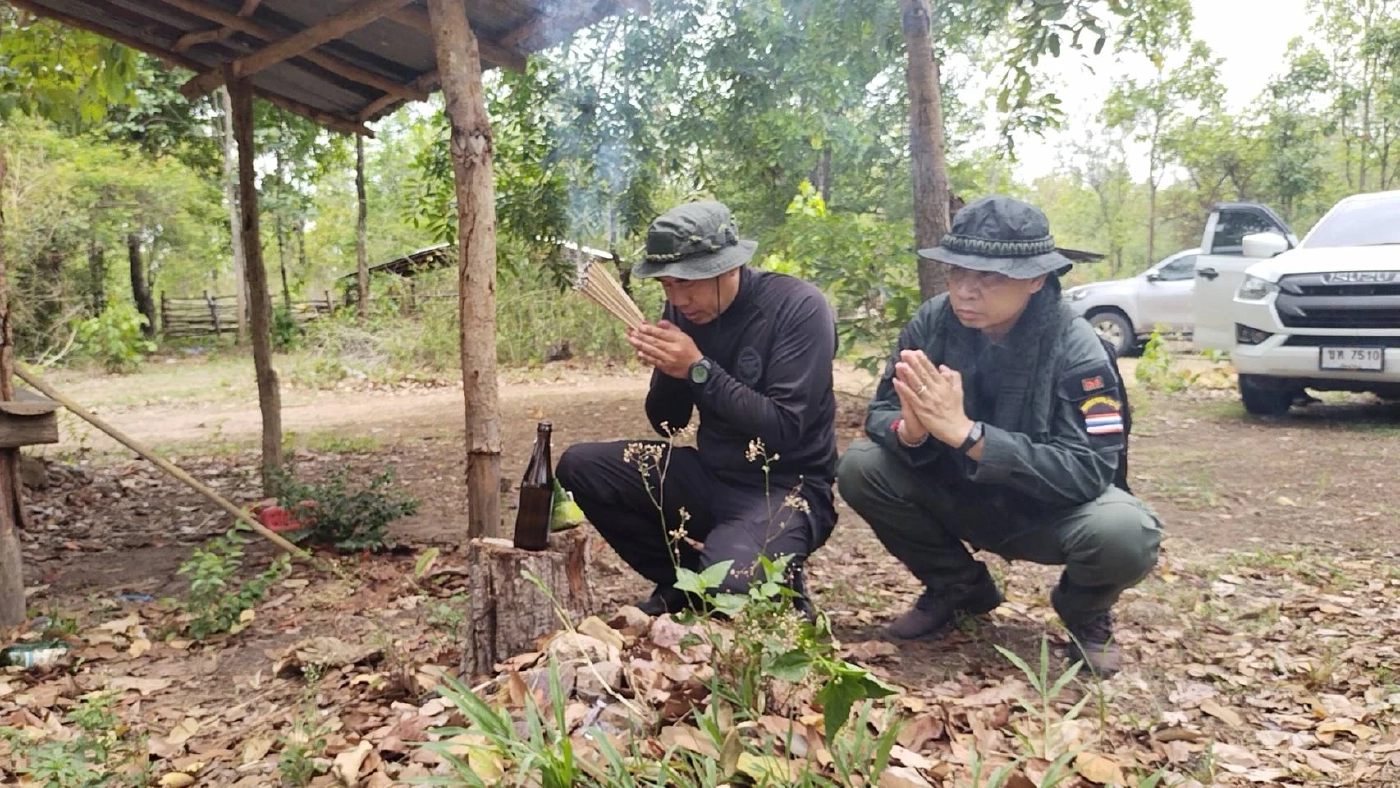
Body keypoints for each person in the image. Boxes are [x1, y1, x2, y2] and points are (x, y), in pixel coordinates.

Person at [836, 195, 1163, 675]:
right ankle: (958, 586)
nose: (966, 291)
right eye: (957, 273)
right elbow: (882, 411)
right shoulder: (932, 321)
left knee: (1125, 531)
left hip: (1048, 511)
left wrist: (970, 435)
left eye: (989, 278)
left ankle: (1085, 612)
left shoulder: (1079, 348)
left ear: (1035, 278)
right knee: (861, 466)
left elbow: (1090, 471)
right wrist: (911, 432)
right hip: (955, 493)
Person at [556, 200, 839, 617]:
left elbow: (785, 426)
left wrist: (697, 369)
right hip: (710, 475)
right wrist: (669, 371)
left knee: (729, 585)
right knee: (580, 466)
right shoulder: (682, 311)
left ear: (727, 267)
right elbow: (668, 423)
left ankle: (775, 583)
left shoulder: (797, 308)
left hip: (786, 488)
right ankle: (683, 581)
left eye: (687, 283)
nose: (678, 297)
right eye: (667, 285)